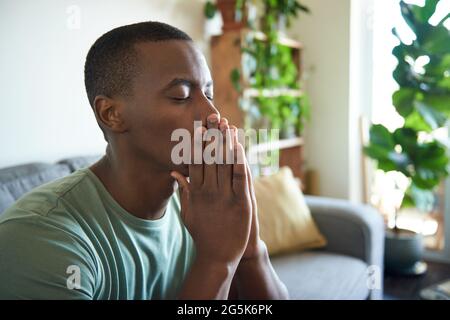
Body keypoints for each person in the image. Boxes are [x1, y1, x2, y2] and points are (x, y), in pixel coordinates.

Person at [0, 21, 288, 300]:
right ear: (112, 114)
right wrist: (216, 260)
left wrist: (249, 250)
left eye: (209, 94)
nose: (212, 113)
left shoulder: (206, 205)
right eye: (181, 96)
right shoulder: (40, 236)